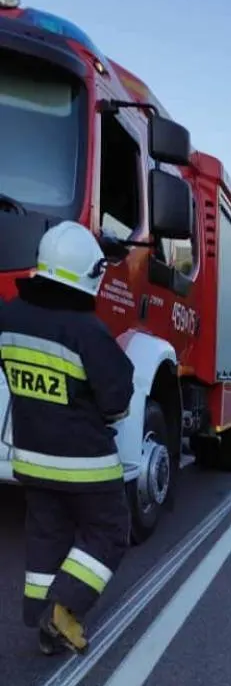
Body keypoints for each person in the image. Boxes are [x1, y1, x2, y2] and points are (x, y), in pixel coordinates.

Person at [0, 221, 134, 655]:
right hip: (85, 463)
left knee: (47, 535)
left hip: (31, 457)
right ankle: (65, 607)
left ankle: (44, 626)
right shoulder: (88, 331)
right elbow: (117, 401)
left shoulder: (8, 317)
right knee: (109, 531)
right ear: (89, 273)